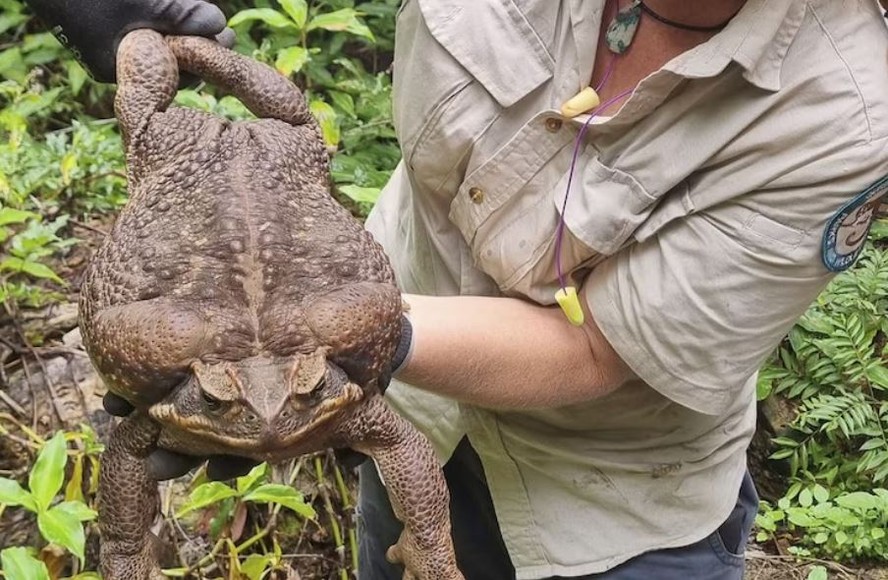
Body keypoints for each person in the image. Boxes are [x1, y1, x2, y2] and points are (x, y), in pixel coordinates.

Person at [24, 0, 888, 578]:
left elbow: (601, 349)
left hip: (611, 497)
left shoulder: (846, 111)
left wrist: (353, 348)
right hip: (407, 410)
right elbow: (290, 127)